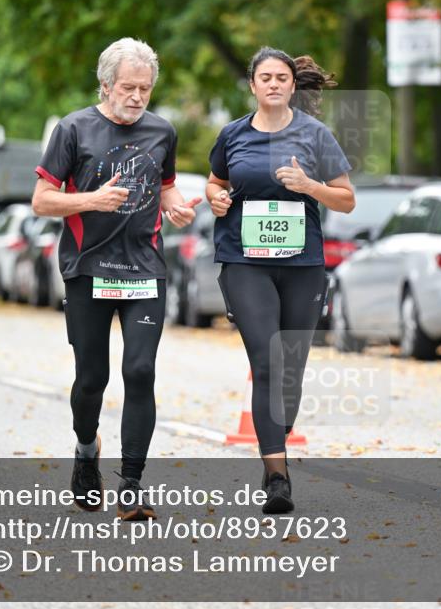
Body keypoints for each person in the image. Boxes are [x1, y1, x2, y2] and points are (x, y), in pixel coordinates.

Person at [31, 37, 201, 521]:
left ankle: (132, 484)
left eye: (145, 89)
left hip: (145, 270)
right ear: (106, 85)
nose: (137, 97)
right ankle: (87, 453)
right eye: (128, 87)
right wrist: (90, 200)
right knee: (91, 380)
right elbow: (42, 201)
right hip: (88, 269)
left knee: (141, 372)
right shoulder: (73, 129)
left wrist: (178, 209)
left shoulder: (162, 132)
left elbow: (164, 190)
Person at [207, 47, 355, 513]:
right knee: (268, 362)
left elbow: (347, 200)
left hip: (301, 264)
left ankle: (278, 430)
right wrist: (216, 199)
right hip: (245, 262)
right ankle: (277, 476)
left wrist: (310, 187)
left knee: (290, 368)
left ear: (293, 86)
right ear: (252, 85)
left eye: (282, 78)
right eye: (265, 77)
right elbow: (215, 182)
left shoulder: (315, 135)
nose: (273, 84)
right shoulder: (232, 134)